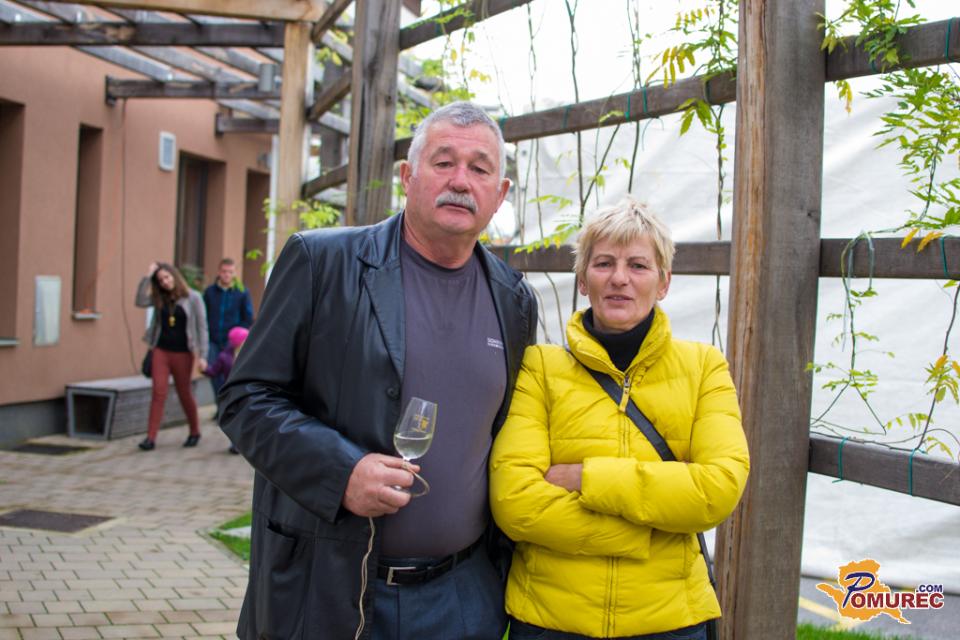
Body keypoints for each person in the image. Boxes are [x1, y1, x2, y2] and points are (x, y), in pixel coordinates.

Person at [219, 101, 538, 640]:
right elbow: (245, 398)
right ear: (408, 177)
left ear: (500, 193)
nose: (461, 181)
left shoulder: (514, 300)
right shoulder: (322, 263)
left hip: (464, 597)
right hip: (333, 586)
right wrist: (340, 471)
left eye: (480, 168)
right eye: (443, 162)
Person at [489, 198, 750, 639]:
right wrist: (642, 533)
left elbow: (718, 488)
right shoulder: (540, 367)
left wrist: (585, 477)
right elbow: (515, 502)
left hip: (670, 621)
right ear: (583, 280)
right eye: (604, 263)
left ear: (663, 283)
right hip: (552, 619)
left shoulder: (704, 367)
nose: (619, 278)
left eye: (638, 265)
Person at [135, 262, 209, 451]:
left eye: (167, 278)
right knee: (158, 392)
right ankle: (150, 438)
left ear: (175, 276)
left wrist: (203, 355)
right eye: (161, 280)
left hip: (183, 353)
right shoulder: (159, 297)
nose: (165, 282)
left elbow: (202, 327)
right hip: (161, 350)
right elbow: (140, 301)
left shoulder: (193, 297)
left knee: (184, 392)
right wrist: (148, 276)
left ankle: (194, 431)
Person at [202, 258, 253, 416]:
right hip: (213, 340)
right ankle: (220, 407)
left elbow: (247, 318)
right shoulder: (210, 292)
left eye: (230, 272)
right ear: (219, 272)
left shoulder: (241, 292)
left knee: (230, 376)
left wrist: (238, 338)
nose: (227, 275)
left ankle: (228, 408)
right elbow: (203, 315)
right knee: (214, 374)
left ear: (234, 273)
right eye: (224, 271)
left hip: (232, 343)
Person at [202, 326, 248, 454]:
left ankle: (243, 443)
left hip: (246, 394)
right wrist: (204, 369)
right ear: (239, 342)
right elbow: (214, 371)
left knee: (244, 419)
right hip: (231, 395)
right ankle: (235, 444)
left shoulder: (249, 356)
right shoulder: (224, 357)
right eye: (246, 339)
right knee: (234, 420)